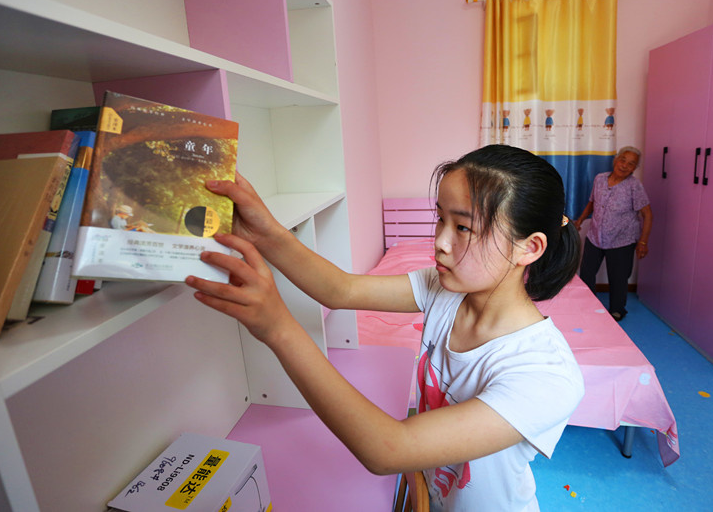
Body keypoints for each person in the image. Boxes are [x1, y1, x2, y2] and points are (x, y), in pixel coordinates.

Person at [185, 145, 585, 511]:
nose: (440, 243)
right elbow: (340, 289)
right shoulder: (443, 290)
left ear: (528, 248)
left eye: (463, 228)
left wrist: (278, 329)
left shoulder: (546, 375)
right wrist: (266, 232)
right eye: (440, 220)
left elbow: (388, 449)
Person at [574, 146, 652, 322]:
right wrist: (580, 220)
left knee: (618, 277)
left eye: (631, 164)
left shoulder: (634, 186)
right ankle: (588, 304)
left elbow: (647, 214)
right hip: (595, 236)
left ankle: (617, 309)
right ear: (616, 160)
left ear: (634, 169)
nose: (624, 165)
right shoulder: (600, 179)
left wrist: (643, 242)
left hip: (622, 239)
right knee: (586, 273)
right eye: (623, 160)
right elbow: (592, 202)